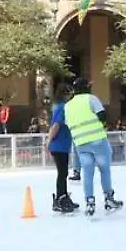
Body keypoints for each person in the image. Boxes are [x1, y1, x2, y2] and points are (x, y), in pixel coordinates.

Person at [64, 77, 121, 216]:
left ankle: (89, 201)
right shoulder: (91, 99)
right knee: (104, 169)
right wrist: (102, 127)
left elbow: (67, 123)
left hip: (81, 143)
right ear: (86, 87)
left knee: (87, 172)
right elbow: (102, 115)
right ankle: (109, 198)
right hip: (98, 140)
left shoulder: (68, 105)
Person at [47, 83, 79, 213]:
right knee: (62, 173)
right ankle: (60, 198)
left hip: (63, 145)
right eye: (69, 93)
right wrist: (48, 141)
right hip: (58, 145)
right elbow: (56, 125)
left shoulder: (64, 107)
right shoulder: (61, 108)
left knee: (64, 173)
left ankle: (64, 196)